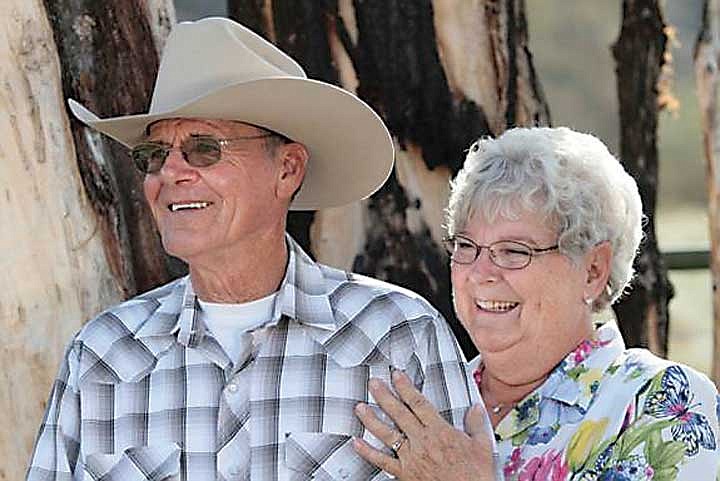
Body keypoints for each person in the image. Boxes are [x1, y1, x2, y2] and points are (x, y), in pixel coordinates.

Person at [25, 17, 478, 481]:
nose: (170, 172)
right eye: (153, 155)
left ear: (287, 170)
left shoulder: (398, 337)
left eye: (204, 149)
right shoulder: (102, 355)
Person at [353, 127, 720, 480]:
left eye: (513, 251)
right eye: (466, 246)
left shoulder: (660, 402)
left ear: (592, 270)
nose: (480, 273)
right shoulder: (425, 400)